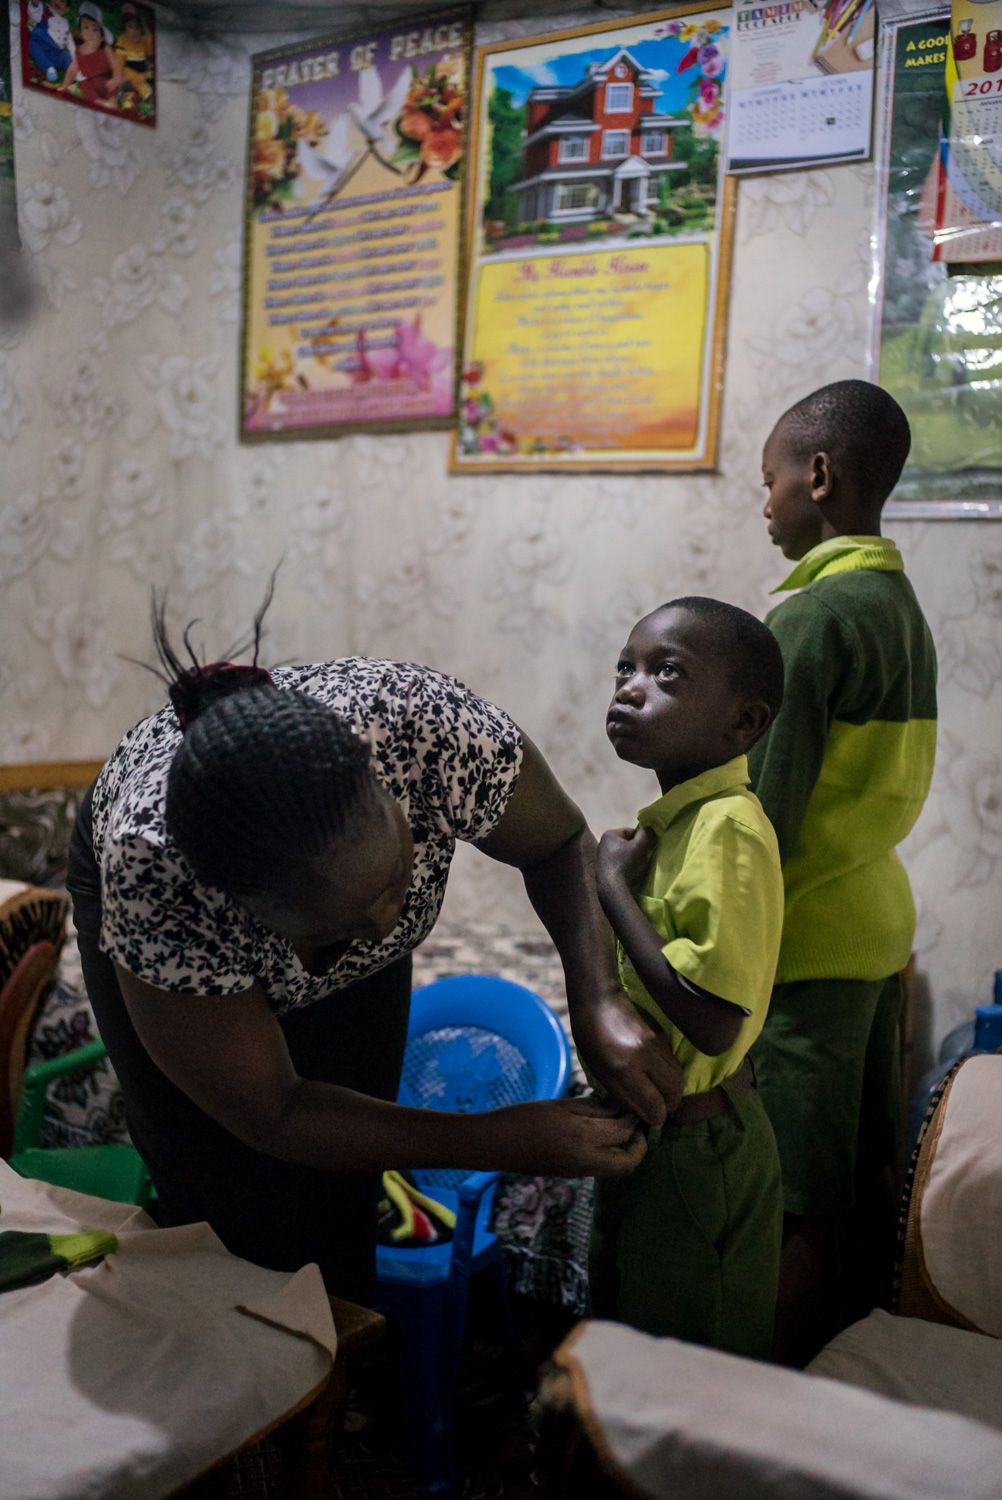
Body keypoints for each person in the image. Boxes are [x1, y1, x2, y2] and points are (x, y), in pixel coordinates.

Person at [68, 585, 663, 1305]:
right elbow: (274, 1112)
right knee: (228, 1204)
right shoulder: (157, 875)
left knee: (345, 1180)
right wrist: (494, 1138)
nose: (384, 929)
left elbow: (561, 843)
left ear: (392, 795)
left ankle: (346, 1364)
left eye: (395, 881)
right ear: (239, 909)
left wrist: (596, 996)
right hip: (156, 902)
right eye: (341, 927)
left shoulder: (431, 732)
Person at [751, 379, 938, 1365]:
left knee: (789, 1199)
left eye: (770, 480)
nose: (765, 501)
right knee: (850, 1180)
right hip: (877, 928)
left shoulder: (810, 621)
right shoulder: (900, 607)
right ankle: (845, 1378)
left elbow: (758, 828)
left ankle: (779, 1410)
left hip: (807, 943)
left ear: (818, 477)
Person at [590, 597, 786, 1359]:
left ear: (743, 723)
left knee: (689, 1372)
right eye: (626, 668)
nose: (630, 688)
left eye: (666, 673)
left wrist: (611, 890)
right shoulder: (674, 823)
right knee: (630, 1344)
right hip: (656, 1130)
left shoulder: (727, 827)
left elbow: (711, 1018)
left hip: (700, 1149)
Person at [59, 3, 123, 107]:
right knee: (85, 85)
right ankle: (99, 103)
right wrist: (65, 85)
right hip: (91, 82)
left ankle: (112, 102)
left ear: (102, 35)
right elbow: (72, 70)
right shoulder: (79, 50)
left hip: (106, 80)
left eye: (95, 29)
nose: (90, 33)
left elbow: (115, 65)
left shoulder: (105, 48)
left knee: (112, 90)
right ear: (81, 30)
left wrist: (115, 80)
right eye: (86, 27)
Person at [115, 3, 154, 105]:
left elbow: (150, 53)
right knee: (125, 87)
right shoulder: (122, 40)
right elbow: (119, 62)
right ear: (125, 27)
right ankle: (124, 100)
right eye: (130, 27)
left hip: (142, 75)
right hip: (127, 73)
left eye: (137, 27)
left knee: (147, 91)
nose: (134, 31)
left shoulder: (144, 39)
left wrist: (147, 31)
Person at [28, 0, 74, 83]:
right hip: (41, 43)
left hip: (56, 51)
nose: (59, 2)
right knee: (34, 47)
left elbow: (70, 43)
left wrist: (73, 56)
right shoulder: (45, 9)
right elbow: (34, 13)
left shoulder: (65, 23)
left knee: (66, 56)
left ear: (67, 9)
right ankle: (49, 68)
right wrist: (35, 4)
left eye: (63, 1)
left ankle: (74, 74)